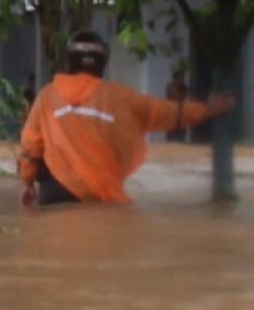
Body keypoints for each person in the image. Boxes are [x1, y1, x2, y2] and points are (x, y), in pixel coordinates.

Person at [18, 31, 235, 205]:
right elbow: (167, 113)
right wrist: (207, 110)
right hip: (103, 194)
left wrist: (28, 184)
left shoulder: (48, 96)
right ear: (103, 62)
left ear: (69, 61)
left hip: (55, 192)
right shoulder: (121, 98)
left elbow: (30, 147)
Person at [164, 69, 190, 142]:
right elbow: (171, 96)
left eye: (182, 78)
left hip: (181, 114)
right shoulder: (170, 86)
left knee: (181, 134)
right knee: (171, 134)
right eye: (180, 78)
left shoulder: (184, 87)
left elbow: (182, 97)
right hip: (172, 113)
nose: (181, 80)